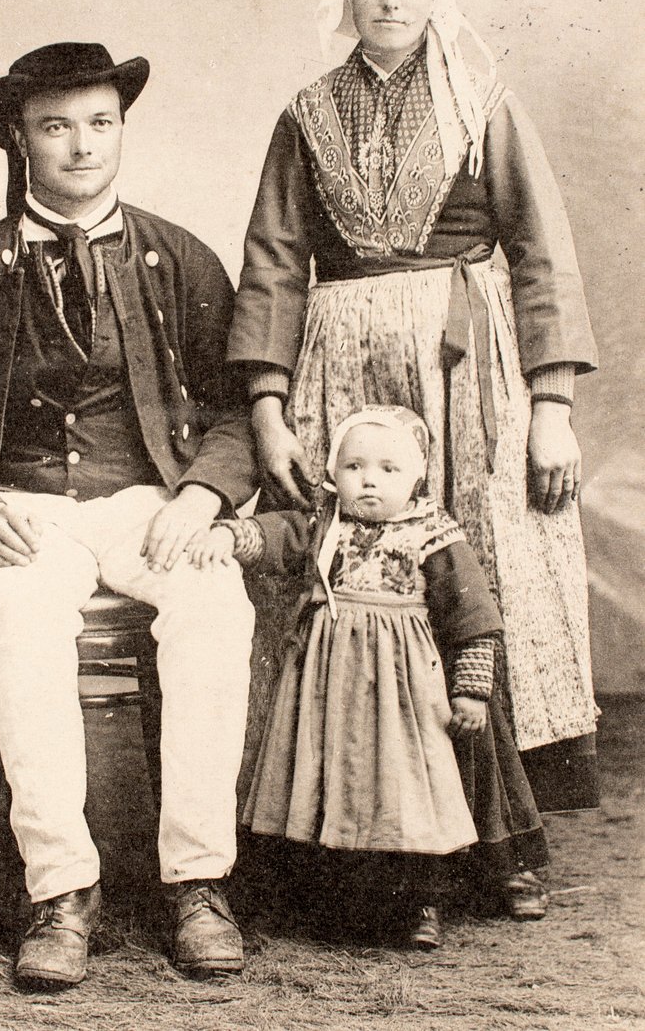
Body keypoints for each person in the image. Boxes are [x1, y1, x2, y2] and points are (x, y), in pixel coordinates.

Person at [0, 42, 260, 988]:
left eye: (101, 123)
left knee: (216, 603)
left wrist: (203, 494)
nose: (83, 146)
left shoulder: (176, 258)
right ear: (20, 137)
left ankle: (198, 882)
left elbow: (235, 411)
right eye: (57, 126)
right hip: (17, 507)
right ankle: (60, 892)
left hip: (148, 502)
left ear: (121, 129)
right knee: (22, 610)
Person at [226, 0, 599, 812]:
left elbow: (540, 255)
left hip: (463, 366)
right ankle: (336, 802)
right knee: (334, 557)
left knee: (476, 559)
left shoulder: (482, 102)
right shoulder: (306, 112)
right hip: (337, 367)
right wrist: (268, 413)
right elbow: (273, 265)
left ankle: (490, 814)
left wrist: (550, 409)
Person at [188, 405, 549, 947]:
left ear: (417, 477)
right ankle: (333, 897)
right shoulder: (324, 523)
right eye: (355, 467)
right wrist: (231, 536)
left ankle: (421, 900)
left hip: (406, 692)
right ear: (334, 472)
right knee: (328, 782)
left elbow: (473, 618)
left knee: (409, 789)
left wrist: (471, 690)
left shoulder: (434, 533)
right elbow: (276, 536)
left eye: (388, 469)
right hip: (327, 686)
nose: (370, 481)